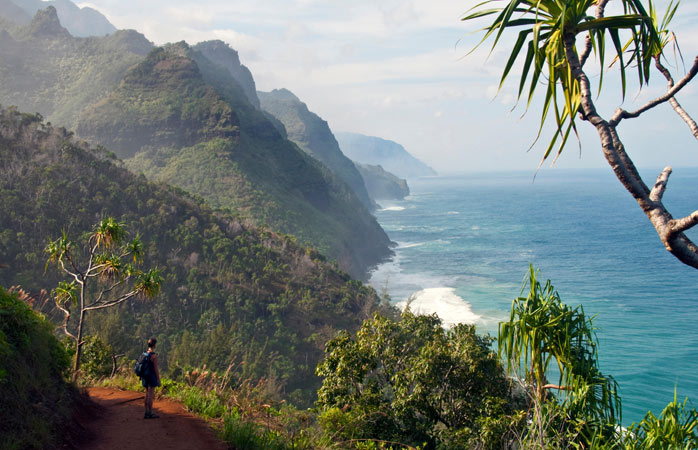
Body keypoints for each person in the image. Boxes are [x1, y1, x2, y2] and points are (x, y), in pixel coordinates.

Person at [142, 337, 161, 419]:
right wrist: (158, 379)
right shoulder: (154, 356)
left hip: (144, 376)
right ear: (154, 345)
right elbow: (156, 369)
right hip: (151, 376)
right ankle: (150, 412)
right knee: (150, 394)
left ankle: (146, 411)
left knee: (146, 394)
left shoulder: (144, 354)